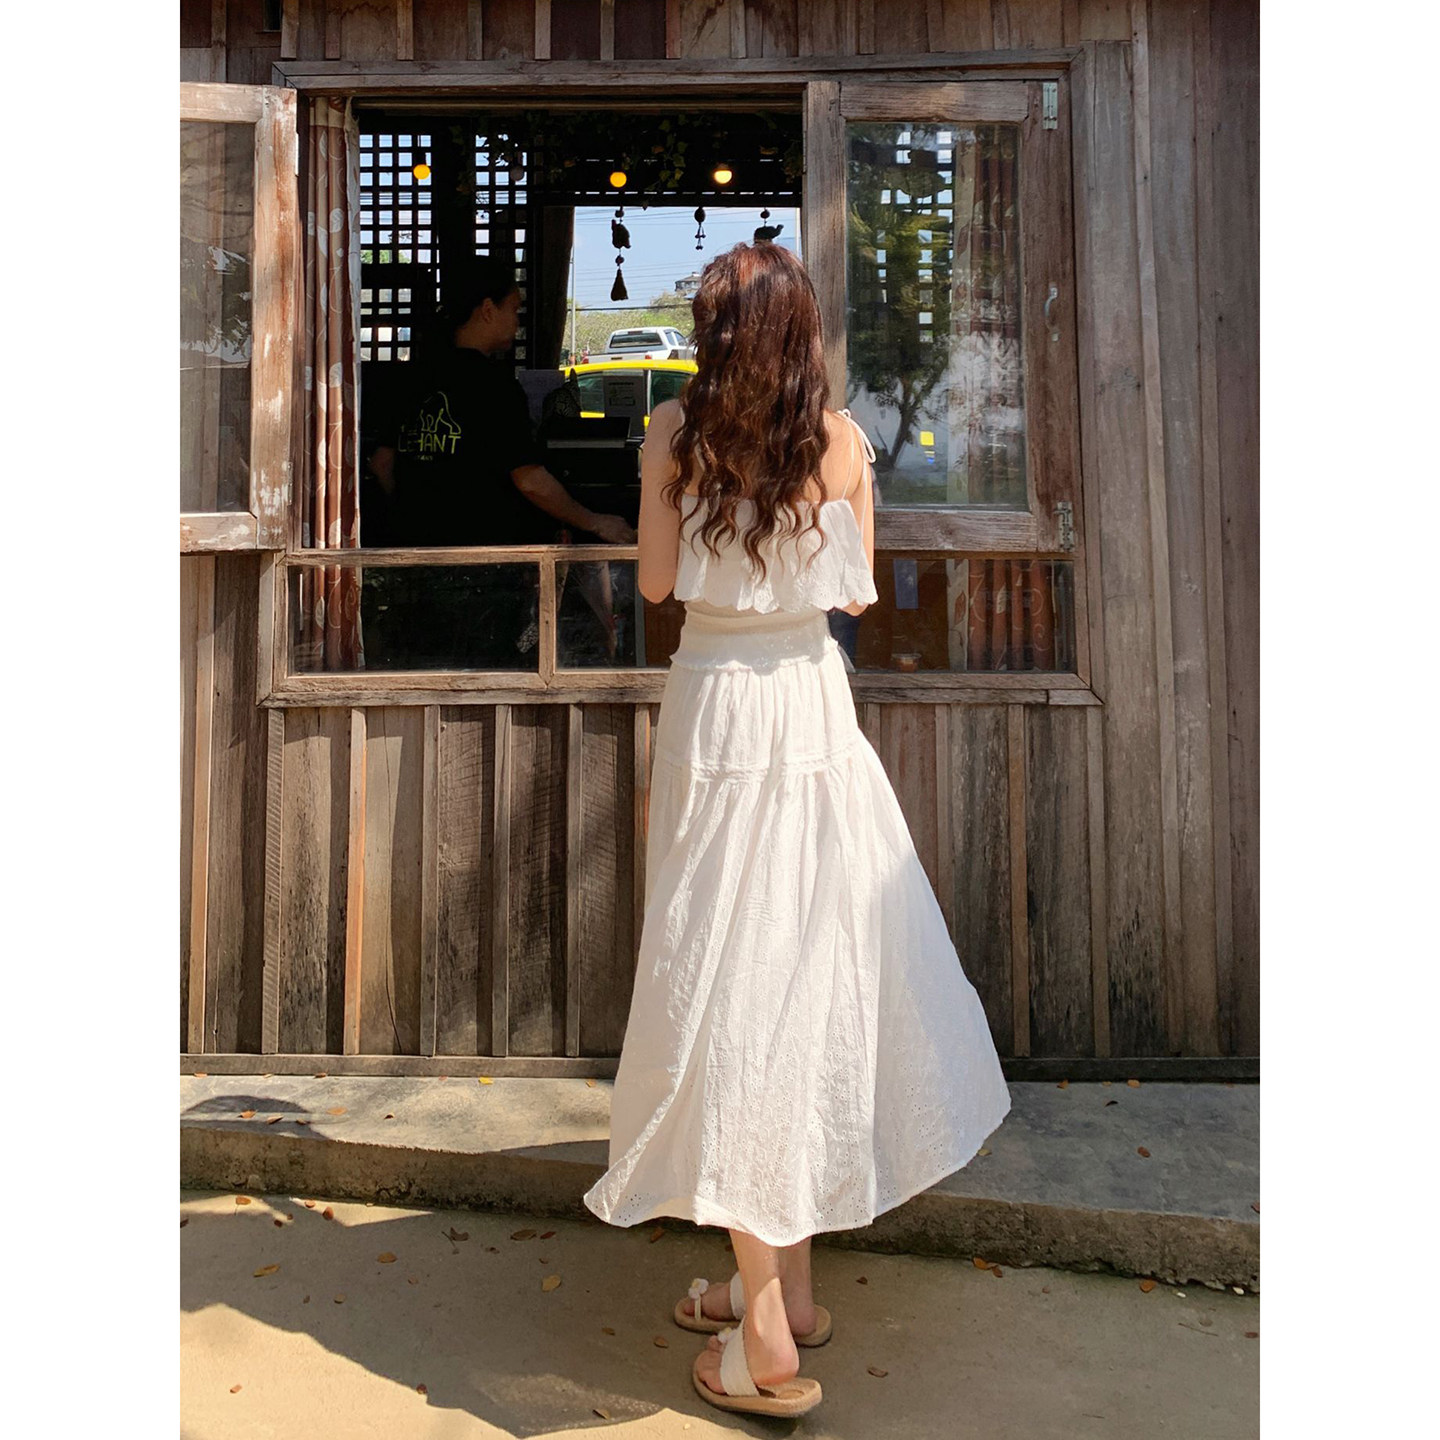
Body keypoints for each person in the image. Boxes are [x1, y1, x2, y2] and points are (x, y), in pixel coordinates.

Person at [581, 242, 1011, 1418]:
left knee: (731, 990)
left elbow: (656, 586)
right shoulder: (847, 442)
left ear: (716, 334)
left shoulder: (674, 434)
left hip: (719, 708)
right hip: (812, 711)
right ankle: (789, 1291)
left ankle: (764, 1331)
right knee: (802, 979)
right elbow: (857, 591)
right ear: (804, 333)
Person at [366, 257, 635, 666]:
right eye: (514, 309)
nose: (517, 321)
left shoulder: (411, 378)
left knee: (422, 665)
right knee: (486, 670)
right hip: (485, 570)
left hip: (413, 565)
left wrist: (415, 510)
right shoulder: (493, 387)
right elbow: (529, 479)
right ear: (487, 309)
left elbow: (381, 463)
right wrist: (593, 520)